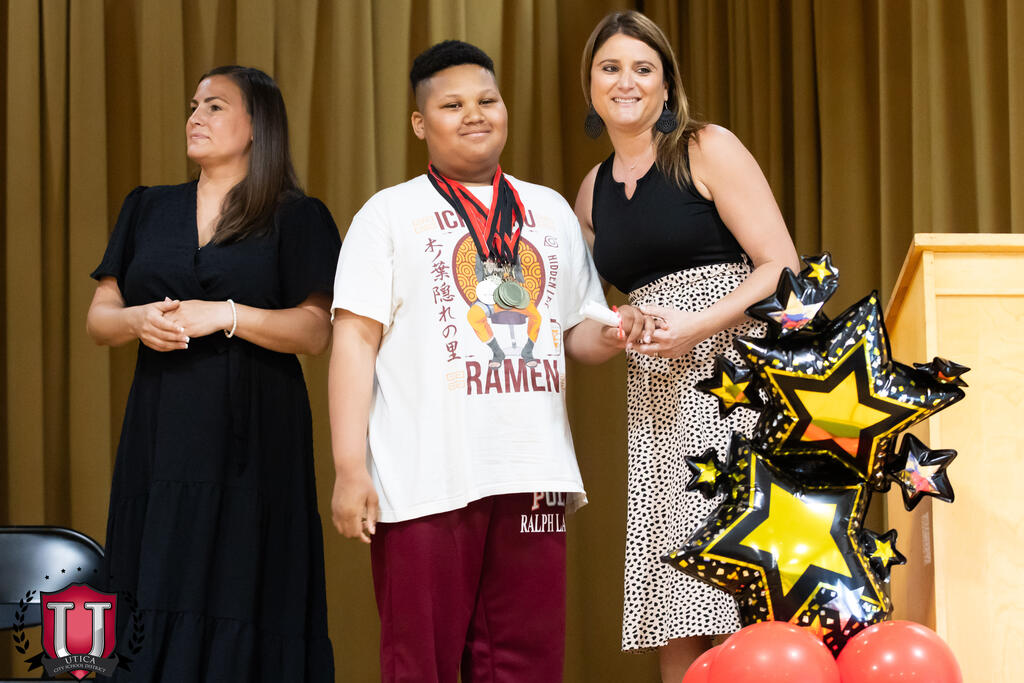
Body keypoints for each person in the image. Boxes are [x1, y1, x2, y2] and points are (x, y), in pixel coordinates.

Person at [329, 40, 645, 683]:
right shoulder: (388, 214)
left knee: (527, 664)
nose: (474, 114)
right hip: (424, 477)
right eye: (452, 105)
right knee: (420, 663)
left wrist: (617, 332)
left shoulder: (549, 210)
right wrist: (348, 468)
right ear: (420, 123)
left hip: (535, 471)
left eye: (487, 100)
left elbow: (577, 332)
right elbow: (354, 344)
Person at [86, 65, 337, 682]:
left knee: (243, 585)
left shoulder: (297, 216)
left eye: (216, 106)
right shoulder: (147, 207)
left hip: (255, 435)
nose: (196, 117)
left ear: (257, 126)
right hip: (160, 431)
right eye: (193, 106)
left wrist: (226, 314)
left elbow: (315, 331)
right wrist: (137, 320)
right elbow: (100, 319)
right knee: (154, 577)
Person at [574, 11, 801, 682]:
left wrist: (699, 323)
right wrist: (616, 326)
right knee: (677, 596)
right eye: (610, 68)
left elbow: (782, 268)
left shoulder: (706, 147)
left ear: (667, 85)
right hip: (659, 398)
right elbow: (581, 335)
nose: (626, 82)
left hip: (734, 380)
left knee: (744, 579)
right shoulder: (591, 192)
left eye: (643, 68)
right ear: (590, 85)